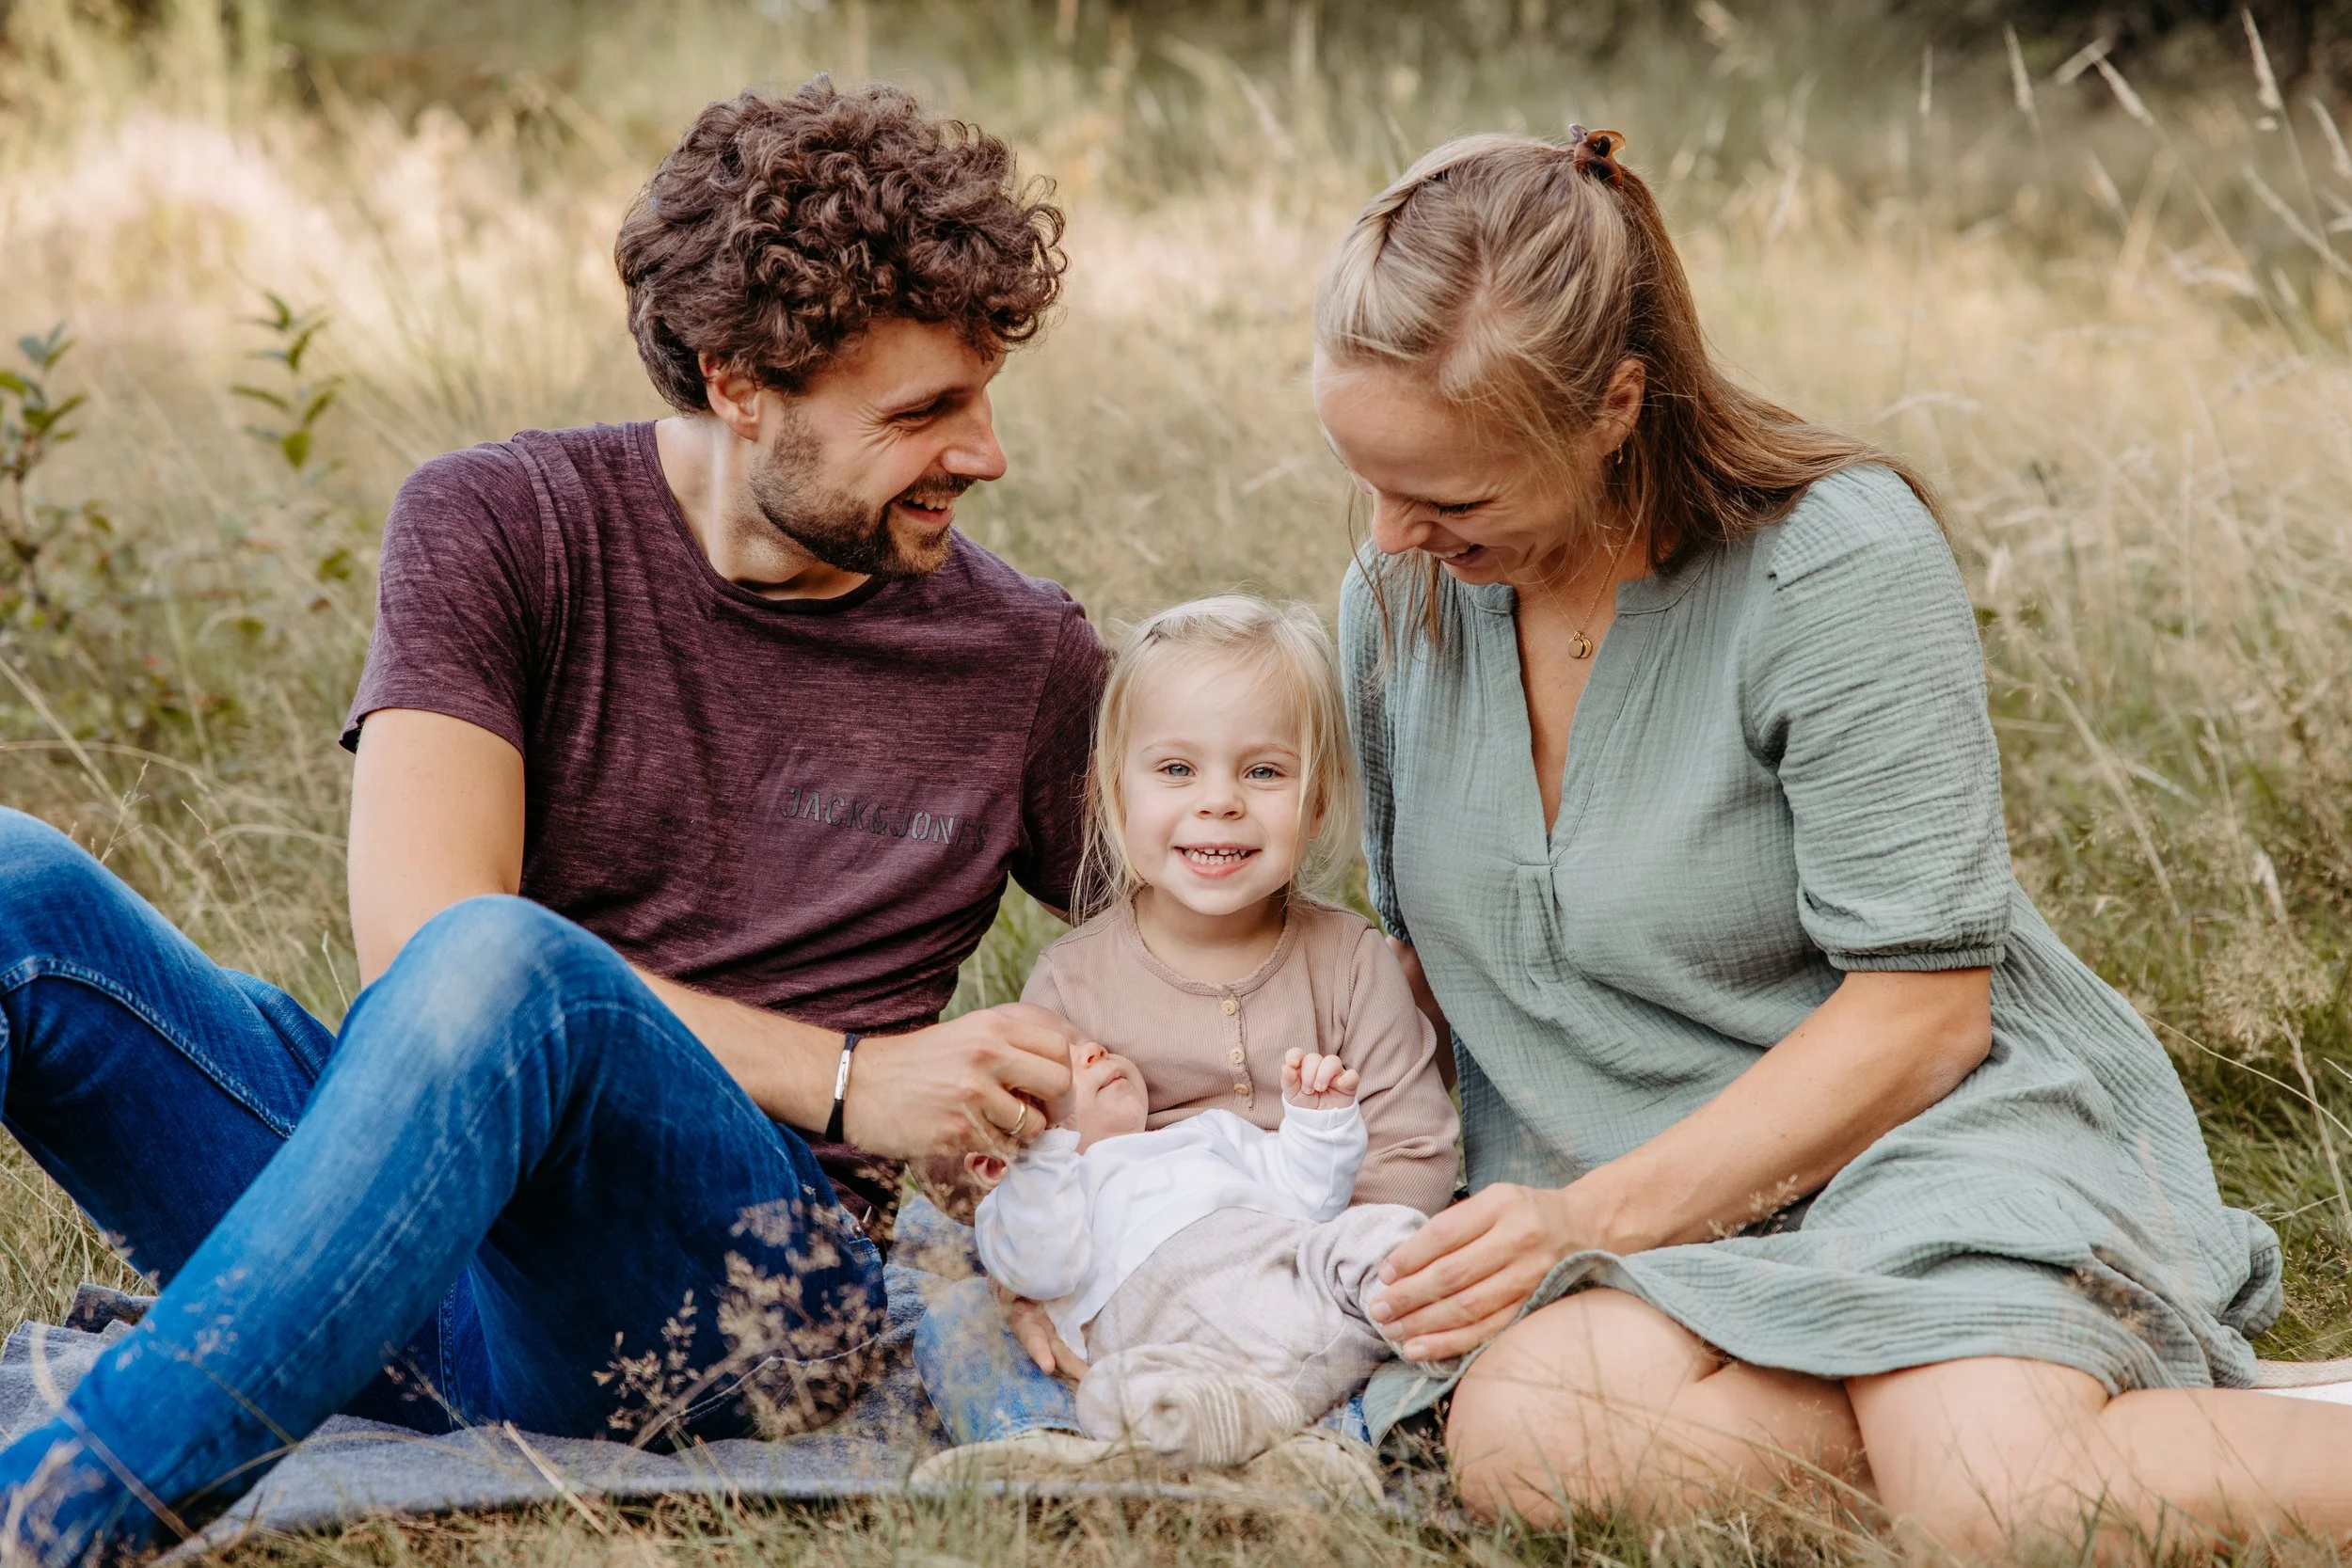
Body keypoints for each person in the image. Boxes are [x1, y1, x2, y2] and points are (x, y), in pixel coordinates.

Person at [0, 78, 1104, 1567]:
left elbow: (1215, 947)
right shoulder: (500, 521)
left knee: (511, 969)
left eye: (982, 398)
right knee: (17, 880)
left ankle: (62, 1509)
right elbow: (421, 933)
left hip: (744, 1300)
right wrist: (854, 1077)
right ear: (736, 381)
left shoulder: (1022, 657)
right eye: (923, 413)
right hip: (400, 1244)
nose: (984, 455)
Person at [1311, 124, 2352, 1554]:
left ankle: (2018, 1420)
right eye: (1366, 476)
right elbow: (1420, 971)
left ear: (1615, 405)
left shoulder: (1834, 560)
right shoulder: (1402, 596)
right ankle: (2042, 1399)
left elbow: (1923, 1019)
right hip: (1628, 1209)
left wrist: (1584, 1223)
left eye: (1451, 495)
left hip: (1919, 1138)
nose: (1389, 533)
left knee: (2012, 1510)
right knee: (1533, 1448)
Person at [909, 596, 1455, 1475]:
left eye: (1265, 773)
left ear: (1316, 803)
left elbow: (1413, 1150)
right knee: (957, 1317)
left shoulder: (1351, 961)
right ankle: (1039, 1446)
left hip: (1295, 1288)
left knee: (1401, 1301)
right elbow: (1023, 1165)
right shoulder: (1074, 978)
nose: (1220, 804)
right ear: (1113, 794)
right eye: (1175, 768)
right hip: (1120, 1289)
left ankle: (1311, 1453)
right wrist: (1027, 1279)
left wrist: (1319, 1277)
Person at [973, 1041, 1412, 1500]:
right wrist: (1039, 1157)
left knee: (1379, 1232)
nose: (1093, 1050)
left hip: (1293, 1276)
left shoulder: (1203, 1132)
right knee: (1107, 1394)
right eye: (1060, 1065)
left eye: (1091, 1044)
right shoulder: (1020, 1202)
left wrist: (1318, 1123)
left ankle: (1429, 1317)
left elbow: (1310, 1196)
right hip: (1190, 1361)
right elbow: (1042, 1269)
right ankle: (1285, 1453)